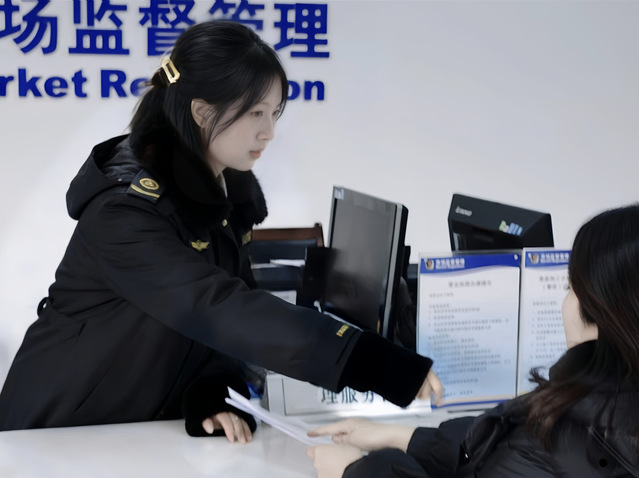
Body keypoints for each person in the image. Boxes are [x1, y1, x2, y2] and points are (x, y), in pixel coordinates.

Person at [0, 20, 442, 442]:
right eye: (256, 113)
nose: (269, 132)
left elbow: (224, 313)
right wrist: (370, 360)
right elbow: (216, 306)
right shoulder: (124, 213)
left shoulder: (222, 193)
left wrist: (211, 390)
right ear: (202, 111)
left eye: (274, 113)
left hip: (133, 431)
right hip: (54, 430)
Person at [307, 204, 639, 477]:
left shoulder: (563, 439)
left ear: (601, 310)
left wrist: (354, 470)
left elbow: (522, 451)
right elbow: (502, 438)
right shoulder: (599, 409)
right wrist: (401, 437)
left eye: (570, 288)